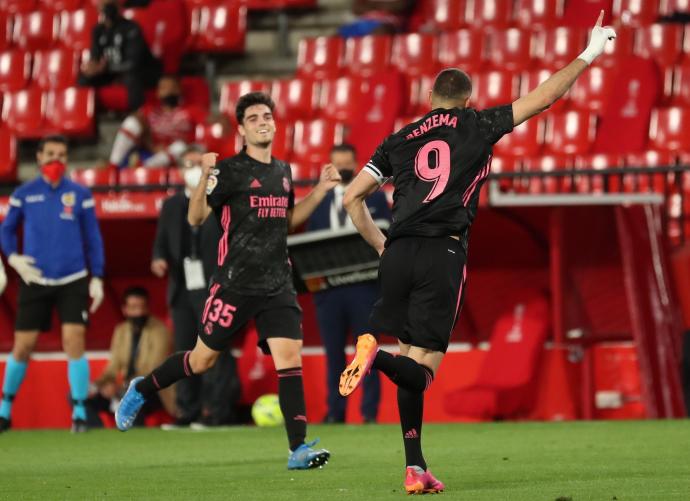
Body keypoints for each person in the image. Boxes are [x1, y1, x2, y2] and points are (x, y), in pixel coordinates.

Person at [339, 12, 617, 495]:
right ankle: (373, 358)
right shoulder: (478, 124)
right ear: (466, 100)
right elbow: (546, 97)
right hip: (442, 252)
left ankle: (414, 466)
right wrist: (589, 53)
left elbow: (350, 198)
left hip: (398, 251)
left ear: (429, 100)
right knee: (421, 369)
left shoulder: (398, 140)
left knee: (411, 355)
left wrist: (381, 243)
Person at [116, 91, 342, 470]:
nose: (262, 122)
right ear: (240, 129)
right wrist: (204, 175)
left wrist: (319, 190)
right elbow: (195, 218)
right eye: (253, 118)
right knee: (202, 360)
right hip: (234, 283)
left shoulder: (283, 171)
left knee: (289, 360)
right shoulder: (229, 172)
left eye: (266, 115)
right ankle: (141, 387)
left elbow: (286, 223)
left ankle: (298, 450)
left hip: (278, 284)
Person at [0, 135, 106, 433]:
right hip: (35, 279)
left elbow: (93, 238)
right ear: (38, 157)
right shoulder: (24, 193)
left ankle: (81, 414)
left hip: (73, 278)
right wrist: (14, 259)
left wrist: (97, 276)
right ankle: (4, 412)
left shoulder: (80, 194)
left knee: (74, 342)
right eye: (50, 154)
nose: (55, 160)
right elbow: (6, 231)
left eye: (61, 154)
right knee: (23, 347)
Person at [151, 146, 240, 427]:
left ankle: (215, 412)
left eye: (196, 163)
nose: (190, 168)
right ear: (178, 169)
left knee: (214, 350)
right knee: (184, 349)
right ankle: (186, 412)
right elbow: (161, 242)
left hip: (214, 285)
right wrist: (158, 259)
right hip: (181, 287)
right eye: (186, 164)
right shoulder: (171, 205)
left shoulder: (221, 201)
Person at [306, 143, 391, 424]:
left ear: (356, 165)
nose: (342, 168)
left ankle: (369, 413)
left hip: (363, 288)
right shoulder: (317, 203)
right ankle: (335, 412)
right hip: (329, 292)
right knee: (333, 354)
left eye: (346, 163)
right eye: (337, 164)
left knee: (368, 353)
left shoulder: (376, 199)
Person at [87, 286, 175, 427]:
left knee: (133, 397)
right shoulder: (121, 330)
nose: (139, 312)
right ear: (125, 309)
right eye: (133, 308)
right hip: (123, 388)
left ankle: (136, 440)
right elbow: (113, 366)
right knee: (81, 396)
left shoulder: (160, 330)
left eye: (142, 307)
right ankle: (97, 436)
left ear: (148, 308)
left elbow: (154, 371)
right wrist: (101, 384)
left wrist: (119, 387)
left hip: (153, 390)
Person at [78, 0, 162, 112]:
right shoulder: (98, 30)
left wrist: (106, 68)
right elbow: (96, 57)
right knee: (84, 79)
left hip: (138, 70)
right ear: (98, 8)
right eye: (104, 5)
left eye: (111, 3)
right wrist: (93, 67)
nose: (108, 8)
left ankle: (137, 117)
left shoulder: (132, 27)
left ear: (119, 6)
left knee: (132, 78)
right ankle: (87, 119)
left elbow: (133, 63)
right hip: (111, 71)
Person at [109, 76, 208, 169]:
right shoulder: (150, 110)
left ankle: (144, 168)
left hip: (179, 157)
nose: (169, 91)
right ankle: (113, 166)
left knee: (180, 146)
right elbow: (136, 118)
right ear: (158, 92)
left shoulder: (192, 110)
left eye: (172, 88)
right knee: (131, 123)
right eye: (164, 88)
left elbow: (208, 124)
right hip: (152, 151)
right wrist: (152, 146)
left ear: (179, 90)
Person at [339, 0, 415, 37]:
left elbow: (399, 6)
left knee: (381, 32)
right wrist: (383, 5)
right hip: (362, 23)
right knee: (334, 38)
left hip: (389, 24)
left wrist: (371, 4)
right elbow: (356, 8)